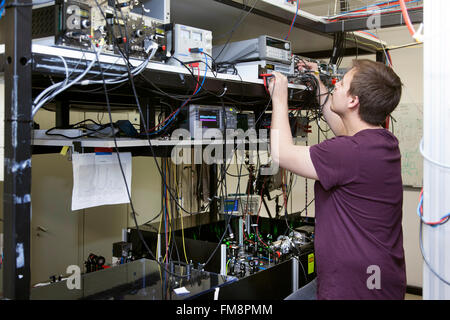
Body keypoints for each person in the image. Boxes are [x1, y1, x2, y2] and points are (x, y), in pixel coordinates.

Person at [268, 59, 406, 300]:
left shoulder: (347, 151)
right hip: (378, 277)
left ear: (353, 101)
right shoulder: (383, 141)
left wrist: (279, 98)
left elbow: (281, 153)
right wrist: (319, 85)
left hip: (354, 287)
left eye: (341, 83)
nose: (335, 86)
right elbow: (346, 130)